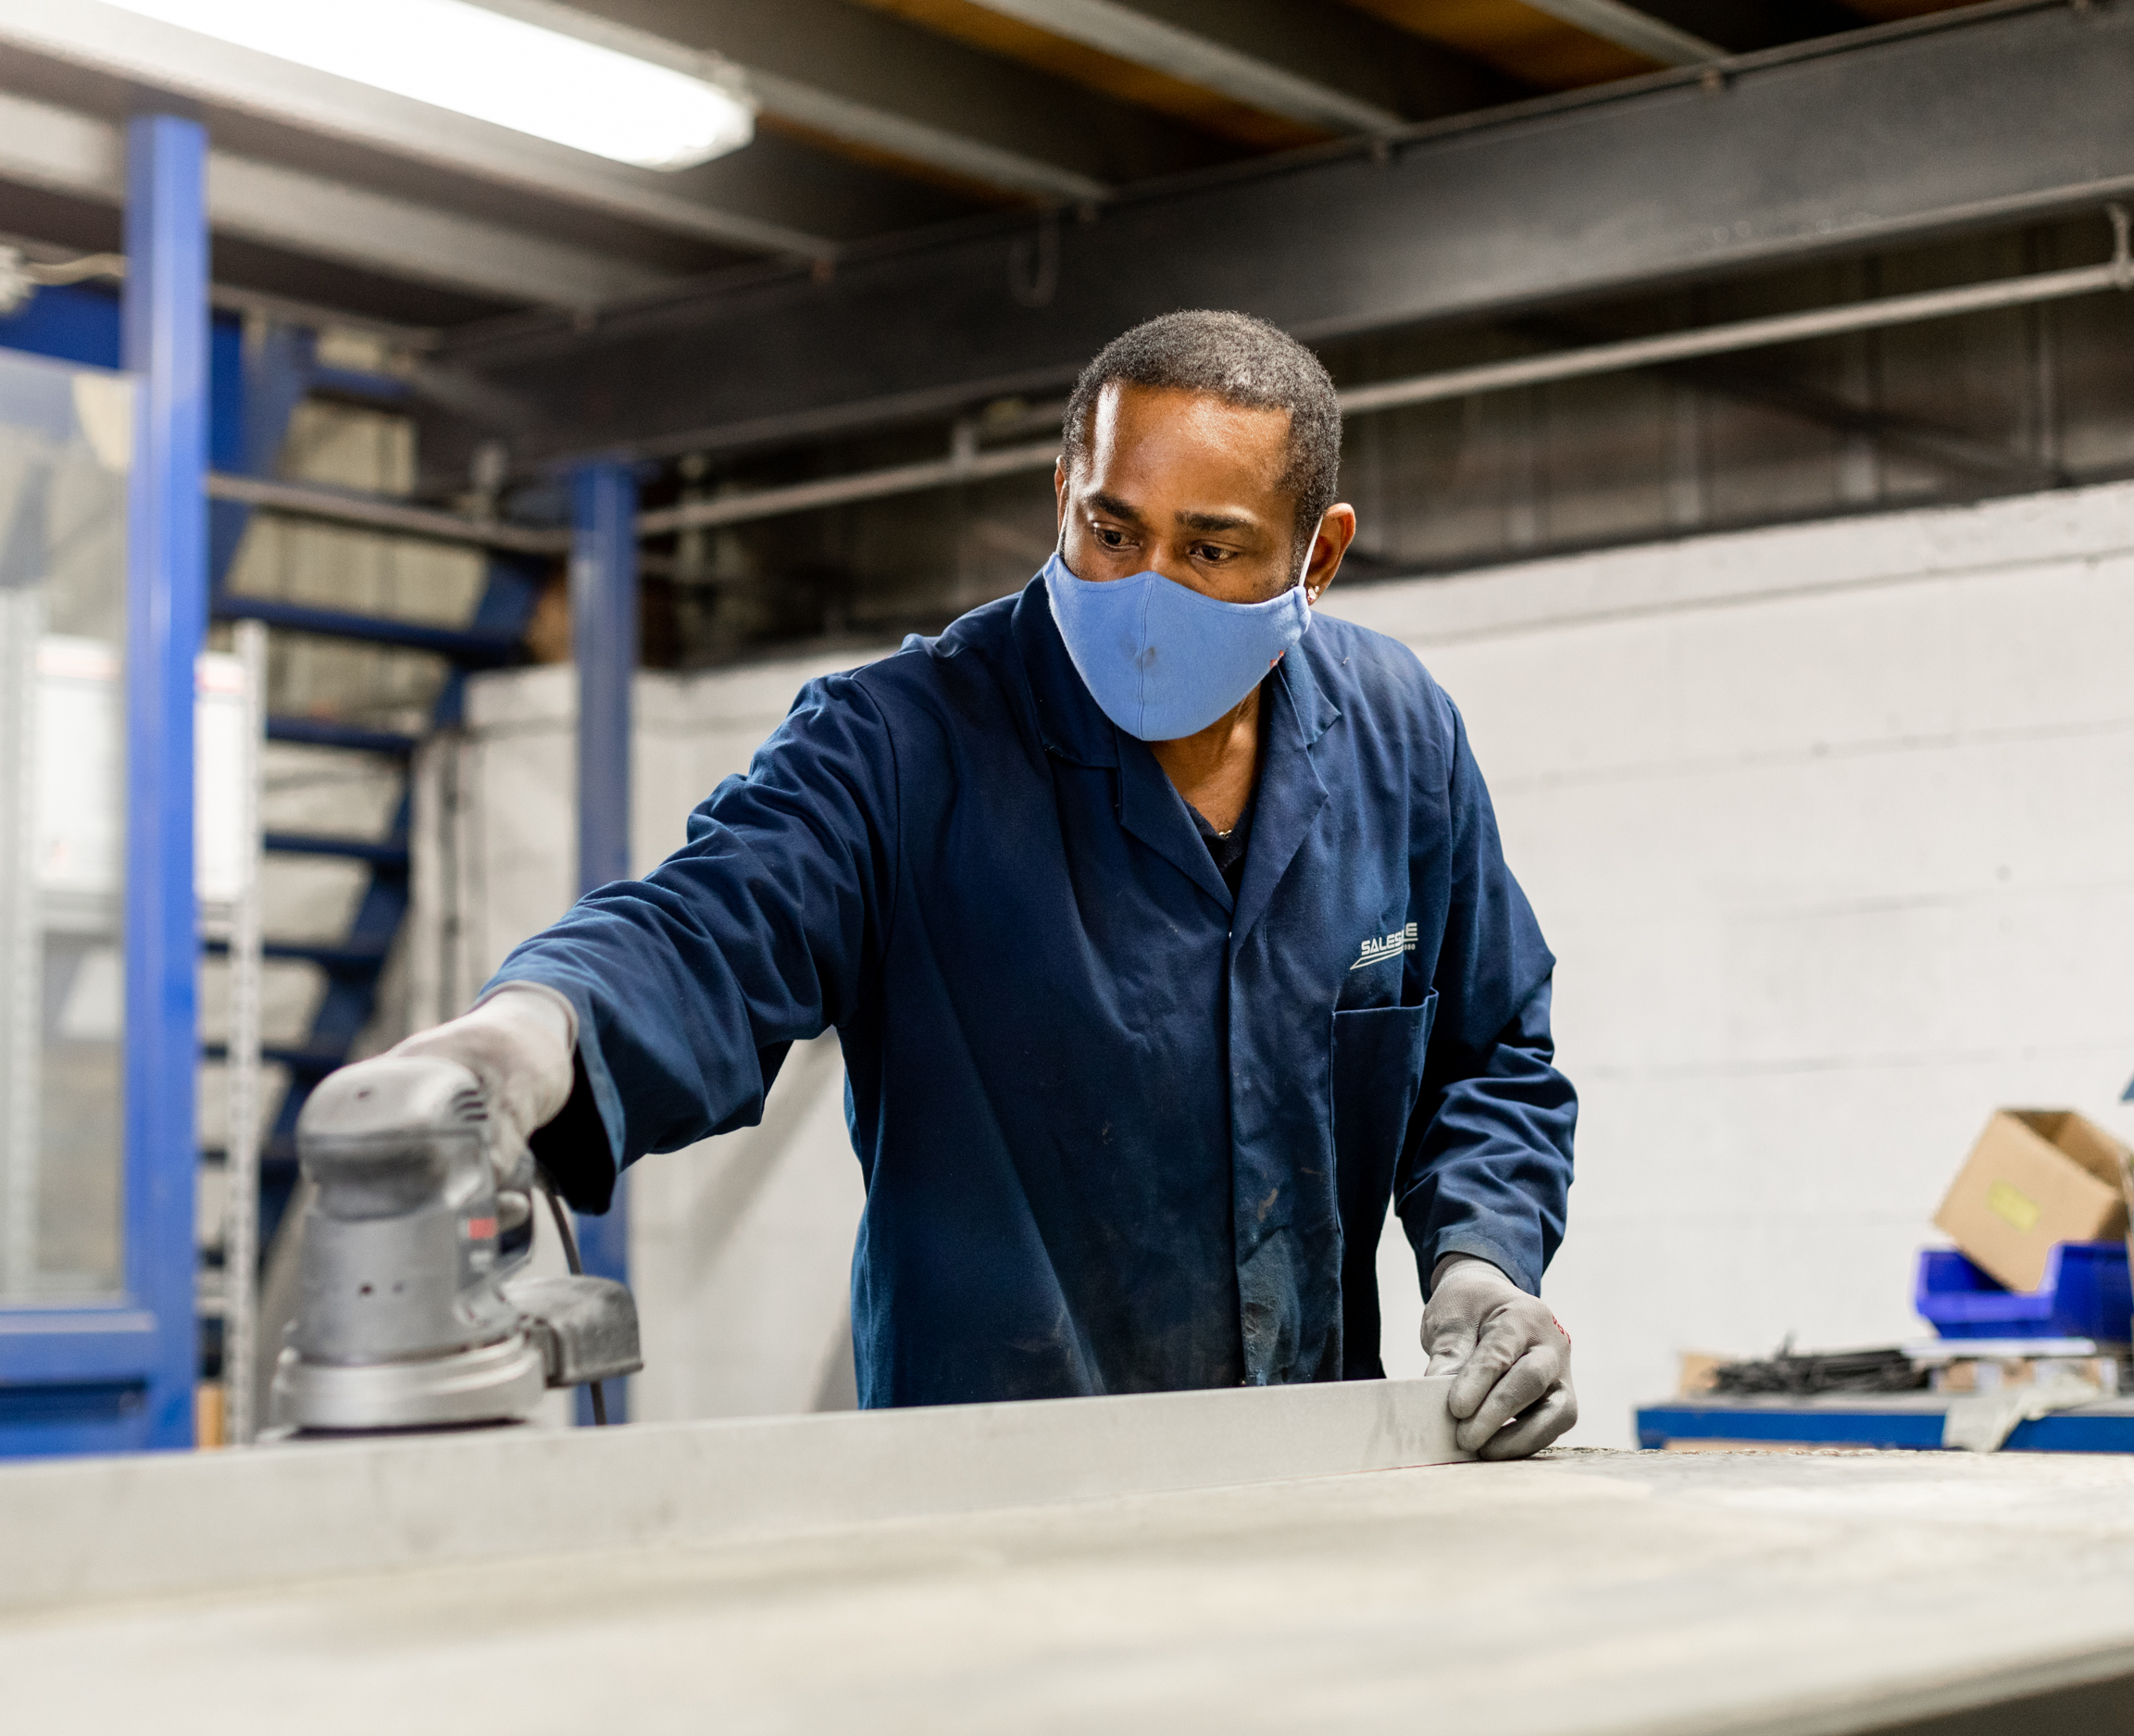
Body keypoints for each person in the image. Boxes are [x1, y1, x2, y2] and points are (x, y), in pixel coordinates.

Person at [381, 310, 1579, 1458]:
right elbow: (711, 926)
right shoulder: (903, 745)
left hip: (1308, 1471)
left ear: (1318, 556)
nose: (1144, 590)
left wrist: (1482, 1262)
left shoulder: (1398, 740)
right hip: (985, 1502)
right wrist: (527, 1037)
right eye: (1112, 532)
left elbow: (1487, 1055)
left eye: (1210, 550)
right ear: (1062, 496)